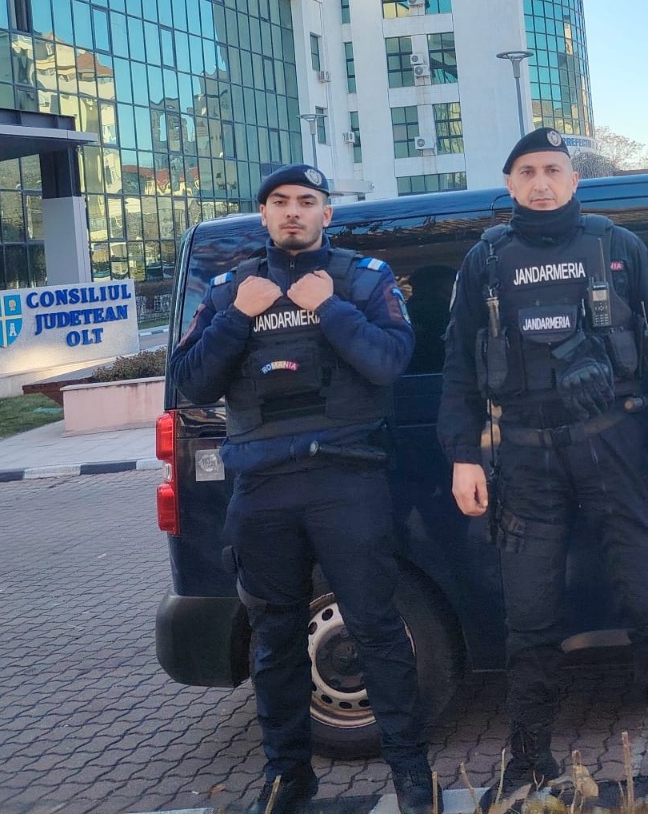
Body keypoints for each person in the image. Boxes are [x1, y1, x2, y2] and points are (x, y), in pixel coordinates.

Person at [437, 127, 648, 811]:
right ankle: (531, 762)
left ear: (573, 179)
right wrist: (463, 456)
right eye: (527, 172)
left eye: (553, 170)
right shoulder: (485, 260)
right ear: (510, 184)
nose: (541, 183)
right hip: (524, 457)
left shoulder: (617, 246)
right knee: (529, 616)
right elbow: (458, 369)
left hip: (613, 444)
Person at [169, 165, 436, 814]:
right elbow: (191, 383)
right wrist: (239, 316)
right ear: (264, 214)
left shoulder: (362, 280)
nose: (294, 211)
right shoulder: (231, 290)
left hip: (346, 482)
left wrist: (329, 307)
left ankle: (411, 775)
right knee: (274, 641)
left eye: (307, 201)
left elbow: (388, 362)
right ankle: (288, 778)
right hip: (262, 488)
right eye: (281, 202)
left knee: (377, 630)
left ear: (326, 214)